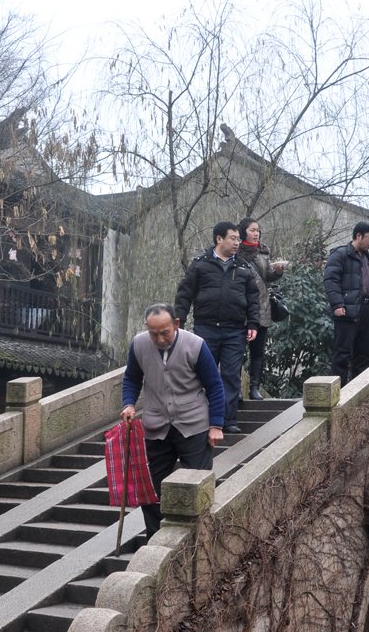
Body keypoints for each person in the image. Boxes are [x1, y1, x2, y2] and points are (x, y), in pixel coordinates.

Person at [121, 304, 225, 537]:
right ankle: (156, 538)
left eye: (165, 332)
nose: (159, 339)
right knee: (151, 489)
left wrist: (216, 425)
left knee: (197, 484)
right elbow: (131, 379)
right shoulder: (138, 345)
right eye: (154, 333)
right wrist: (128, 404)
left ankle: (198, 536)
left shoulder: (195, 345)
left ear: (176, 324)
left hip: (194, 424)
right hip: (155, 425)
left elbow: (215, 386)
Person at [174, 221, 260, 432]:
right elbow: (184, 295)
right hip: (206, 328)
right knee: (203, 375)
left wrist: (253, 323)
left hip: (235, 330)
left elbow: (253, 297)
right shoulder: (200, 264)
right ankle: (202, 420)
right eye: (233, 238)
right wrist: (178, 323)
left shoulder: (242, 267)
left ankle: (227, 421)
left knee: (231, 376)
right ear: (219, 238)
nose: (237, 243)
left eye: (239, 239)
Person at [323, 220, 369, 385]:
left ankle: (358, 394)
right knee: (342, 354)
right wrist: (338, 304)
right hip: (346, 311)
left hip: (366, 310)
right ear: (358, 236)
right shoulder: (340, 255)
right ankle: (338, 394)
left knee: (364, 356)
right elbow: (330, 281)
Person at [237, 217, 286, 399]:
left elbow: (268, 276)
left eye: (258, 230)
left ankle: (254, 388)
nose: (256, 233)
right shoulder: (235, 253)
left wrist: (278, 272)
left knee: (258, 352)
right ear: (243, 232)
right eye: (252, 230)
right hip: (241, 309)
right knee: (238, 352)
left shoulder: (263, 252)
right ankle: (237, 389)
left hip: (262, 307)